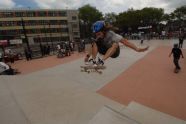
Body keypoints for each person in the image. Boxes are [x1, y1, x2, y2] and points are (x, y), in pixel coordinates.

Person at [85, 21, 149, 65]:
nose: (98, 36)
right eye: (96, 34)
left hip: (115, 52)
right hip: (105, 50)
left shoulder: (111, 35)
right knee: (94, 42)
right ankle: (93, 61)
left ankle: (102, 61)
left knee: (115, 44)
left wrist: (137, 49)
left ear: (104, 31)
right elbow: (92, 47)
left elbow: (126, 42)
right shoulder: (98, 37)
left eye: (99, 34)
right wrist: (87, 56)